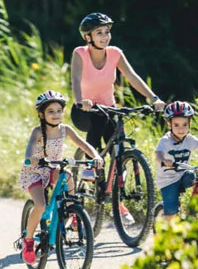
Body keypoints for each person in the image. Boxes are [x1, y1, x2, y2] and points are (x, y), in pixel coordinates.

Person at [70, 12, 165, 222]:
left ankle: (115, 198)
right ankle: (88, 166)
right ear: (88, 37)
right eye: (99, 33)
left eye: (107, 32)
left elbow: (132, 77)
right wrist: (80, 101)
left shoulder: (115, 54)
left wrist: (153, 98)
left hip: (109, 108)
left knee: (118, 150)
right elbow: (75, 79)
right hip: (84, 110)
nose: (105, 37)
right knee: (97, 121)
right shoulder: (80, 53)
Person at [18, 90, 103, 265]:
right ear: (41, 114)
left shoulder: (66, 130)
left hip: (53, 167)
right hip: (35, 171)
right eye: (51, 111)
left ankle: (72, 212)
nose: (56, 115)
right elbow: (30, 149)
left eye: (59, 111)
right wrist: (31, 159)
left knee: (68, 174)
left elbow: (83, 144)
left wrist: (95, 155)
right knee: (40, 205)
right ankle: (28, 241)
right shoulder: (38, 132)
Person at [155, 101, 198, 219]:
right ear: (169, 124)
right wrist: (164, 160)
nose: (181, 129)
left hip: (183, 175)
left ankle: (194, 210)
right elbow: (158, 155)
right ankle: (166, 231)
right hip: (168, 181)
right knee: (171, 213)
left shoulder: (189, 139)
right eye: (176, 125)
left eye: (184, 124)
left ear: (190, 123)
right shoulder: (165, 141)